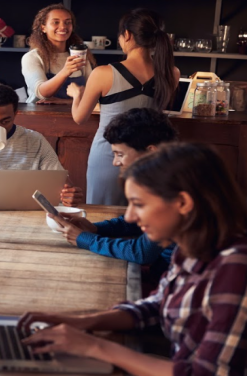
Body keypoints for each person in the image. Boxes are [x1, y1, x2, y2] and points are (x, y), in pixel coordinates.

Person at [20, 143, 247, 376]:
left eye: (139, 204)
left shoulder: (235, 269)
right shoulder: (192, 245)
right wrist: (82, 322)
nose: (129, 216)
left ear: (183, 203)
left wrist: (95, 347)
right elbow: (159, 305)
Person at [47, 108, 178, 288]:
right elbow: (132, 223)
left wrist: (86, 239)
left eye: (120, 154)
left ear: (151, 152)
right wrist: (95, 229)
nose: (115, 162)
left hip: (167, 283)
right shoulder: (164, 175)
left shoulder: (170, 188)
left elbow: (141, 252)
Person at [69, 8, 179, 205]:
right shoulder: (172, 73)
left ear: (127, 35)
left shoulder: (103, 73)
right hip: (148, 156)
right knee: (141, 218)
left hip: (109, 155)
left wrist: (77, 95)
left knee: (102, 220)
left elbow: (79, 117)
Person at [22, 4, 95, 104]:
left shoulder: (80, 55)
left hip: (75, 116)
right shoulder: (32, 57)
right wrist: (66, 71)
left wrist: (64, 102)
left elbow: (92, 94)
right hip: (40, 116)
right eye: (56, 22)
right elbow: (41, 93)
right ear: (43, 28)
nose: (63, 26)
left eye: (68, 22)